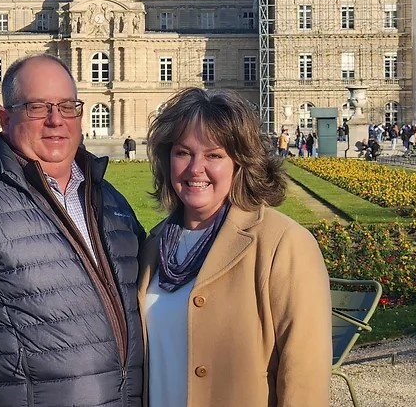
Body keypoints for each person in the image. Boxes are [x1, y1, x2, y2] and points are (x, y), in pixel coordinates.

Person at [0, 54, 145, 406]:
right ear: (4, 119)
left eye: (67, 106)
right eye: (37, 108)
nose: (55, 121)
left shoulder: (110, 202)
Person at [139, 88, 331, 406]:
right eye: (183, 152)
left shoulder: (283, 244)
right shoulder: (155, 245)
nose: (195, 168)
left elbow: (304, 379)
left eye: (214, 155)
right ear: (167, 159)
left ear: (240, 163)